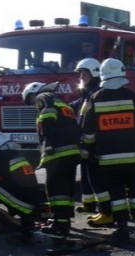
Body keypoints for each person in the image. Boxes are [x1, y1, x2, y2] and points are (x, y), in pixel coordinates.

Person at [81, 58, 135, 240]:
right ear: (122, 74)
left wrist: (89, 151)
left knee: (117, 194)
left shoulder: (95, 98)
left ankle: (122, 228)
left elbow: (87, 130)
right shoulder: (131, 96)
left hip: (108, 159)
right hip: (133, 157)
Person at [23, 82, 81, 237]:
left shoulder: (44, 97)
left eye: (31, 100)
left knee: (55, 189)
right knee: (67, 190)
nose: (34, 104)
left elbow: (47, 118)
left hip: (57, 153)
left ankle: (59, 224)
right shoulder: (61, 102)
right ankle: (64, 222)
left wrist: (48, 145)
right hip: (72, 152)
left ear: (34, 93)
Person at [68, 58, 112, 227]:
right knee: (86, 175)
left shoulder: (96, 93)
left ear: (94, 73)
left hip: (96, 144)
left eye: (84, 73)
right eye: (80, 73)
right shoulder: (87, 93)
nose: (81, 76)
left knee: (97, 178)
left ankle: (106, 211)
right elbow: (77, 106)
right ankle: (89, 204)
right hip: (86, 143)